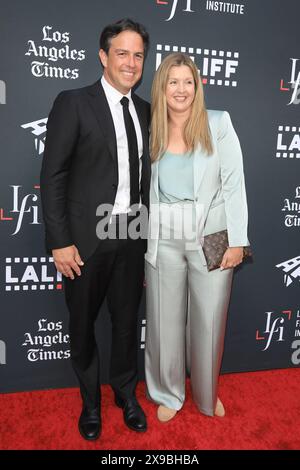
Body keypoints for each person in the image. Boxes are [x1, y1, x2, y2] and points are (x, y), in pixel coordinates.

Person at [40, 18, 151, 440]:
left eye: (138, 55)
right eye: (121, 53)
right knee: (83, 324)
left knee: (126, 323)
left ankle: (126, 393)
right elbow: (52, 176)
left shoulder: (145, 110)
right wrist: (60, 241)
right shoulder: (73, 102)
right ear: (103, 56)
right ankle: (90, 403)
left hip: (131, 236)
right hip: (85, 241)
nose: (130, 62)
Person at [145, 53, 249, 422]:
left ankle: (207, 396)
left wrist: (238, 240)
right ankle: (168, 394)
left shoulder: (217, 123)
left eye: (188, 81)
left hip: (211, 233)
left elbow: (234, 183)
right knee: (164, 320)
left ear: (198, 86)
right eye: (173, 81)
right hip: (162, 232)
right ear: (162, 87)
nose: (181, 89)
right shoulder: (151, 125)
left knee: (209, 319)